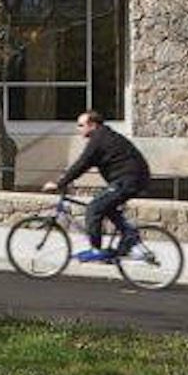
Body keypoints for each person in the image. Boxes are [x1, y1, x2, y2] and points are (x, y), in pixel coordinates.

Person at [51, 108, 151, 261]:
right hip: (132, 179)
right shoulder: (103, 136)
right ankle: (128, 238)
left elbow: (82, 164)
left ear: (92, 125)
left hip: (128, 180)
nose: (78, 129)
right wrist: (66, 180)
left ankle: (96, 250)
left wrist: (60, 183)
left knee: (94, 208)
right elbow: (83, 165)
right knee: (107, 207)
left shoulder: (99, 140)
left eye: (80, 125)